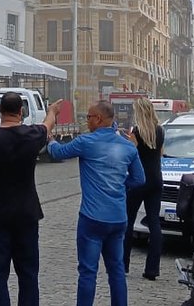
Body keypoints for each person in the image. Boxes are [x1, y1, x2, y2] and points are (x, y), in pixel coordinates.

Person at [0, 93, 61, 306]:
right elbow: (48, 124)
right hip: (27, 214)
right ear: (22, 112)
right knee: (28, 275)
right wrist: (52, 110)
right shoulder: (32, 135)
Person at [47, 101, 146, 306]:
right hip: (118, 218)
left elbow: (58, 153)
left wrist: (50, 139)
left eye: (89, 117)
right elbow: (139, 179)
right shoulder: (128, 147)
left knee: (88, 272)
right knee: (116, 270)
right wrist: (120, 186)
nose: (87, 121)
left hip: (92, 218)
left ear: (99, 119)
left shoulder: (86, 142)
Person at [122, 98, 164, 281]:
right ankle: (152, 269)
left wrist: (128, 140)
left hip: (139, 180)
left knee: (128, 221)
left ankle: (123, 264)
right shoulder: (160, 131)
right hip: (156, 179)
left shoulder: (137, 132)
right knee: (154, 223)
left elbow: (131, 154)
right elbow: (160, 153)